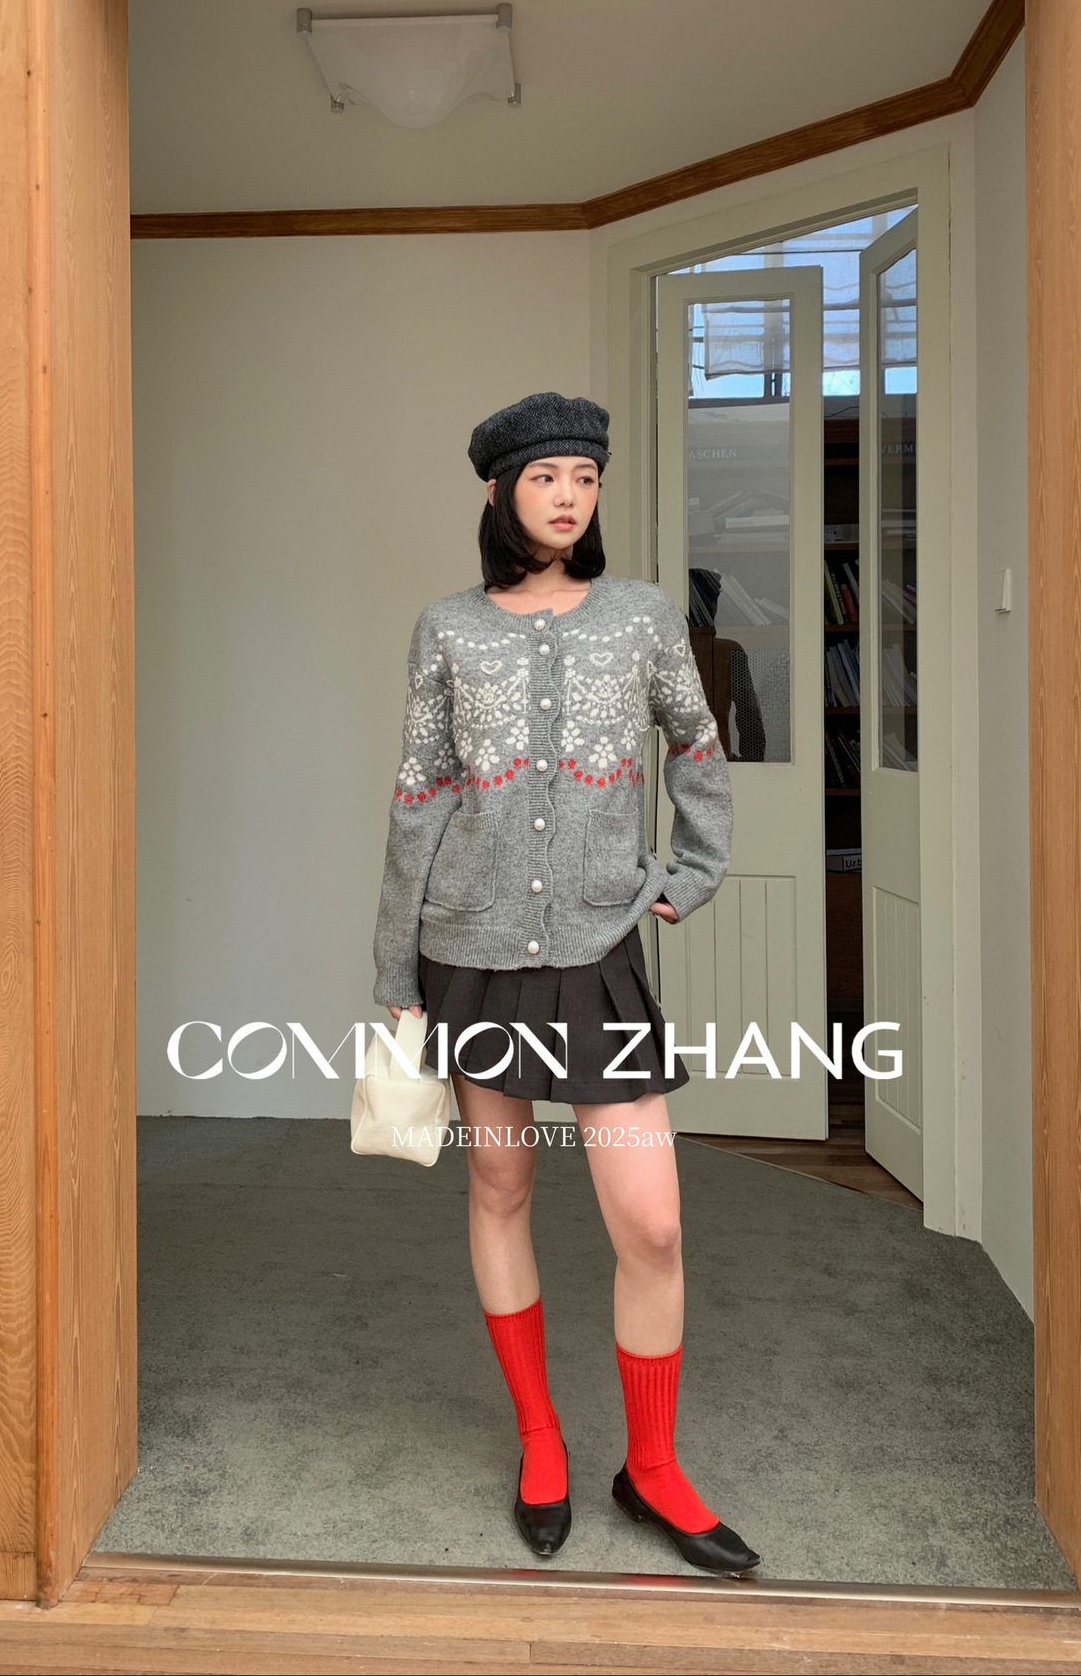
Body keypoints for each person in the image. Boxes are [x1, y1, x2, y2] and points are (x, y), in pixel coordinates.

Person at [372, 390, 759, 1576]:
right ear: (501, 492)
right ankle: (541, 1442)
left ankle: (652, 1467)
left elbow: (695, 739)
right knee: (498, 1187)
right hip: (468, 948)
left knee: (652, 1222)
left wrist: (690, 872)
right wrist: (394, 968)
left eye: (584, 478)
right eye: (545, 477)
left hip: (594, 950)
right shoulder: (447, 628)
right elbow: (420, 794)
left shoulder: (640, 617)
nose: (567, 496)